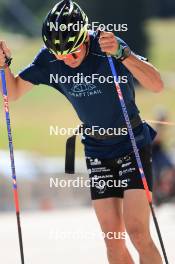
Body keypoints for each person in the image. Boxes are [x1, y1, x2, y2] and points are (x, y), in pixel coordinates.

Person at [0, 1, 164, 263]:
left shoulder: (106, 46)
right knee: (113, 242)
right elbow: (14, 92)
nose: (66, 59)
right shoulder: (50, 58)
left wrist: (124, 54)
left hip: (132, 142)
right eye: (60, 54)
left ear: (85, 38)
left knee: (138, 233)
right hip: (97, 149)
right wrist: (4, 66)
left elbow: (156, 85)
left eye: (72, 52)